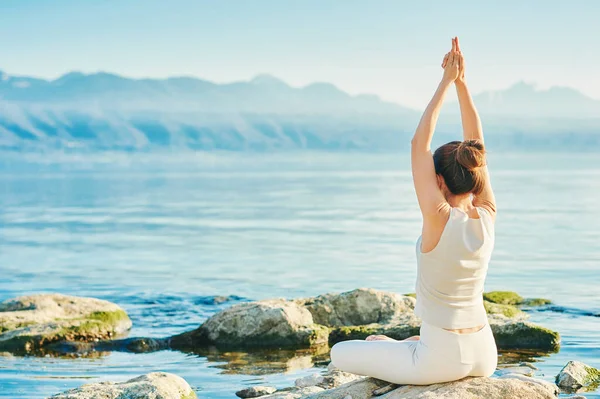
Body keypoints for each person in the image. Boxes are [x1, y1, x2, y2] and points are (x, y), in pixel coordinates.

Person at [329, 37, 498, 385]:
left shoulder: (438, 216)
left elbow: (418, 145)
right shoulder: (488, 215)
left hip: (440, 360)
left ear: (438, 180)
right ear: (476, 173)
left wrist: (446, 82)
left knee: (339, 353)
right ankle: (408, 344)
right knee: (398, 344)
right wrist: (463, 84)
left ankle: (406, 347)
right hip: (485, 353)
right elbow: (477, 142)